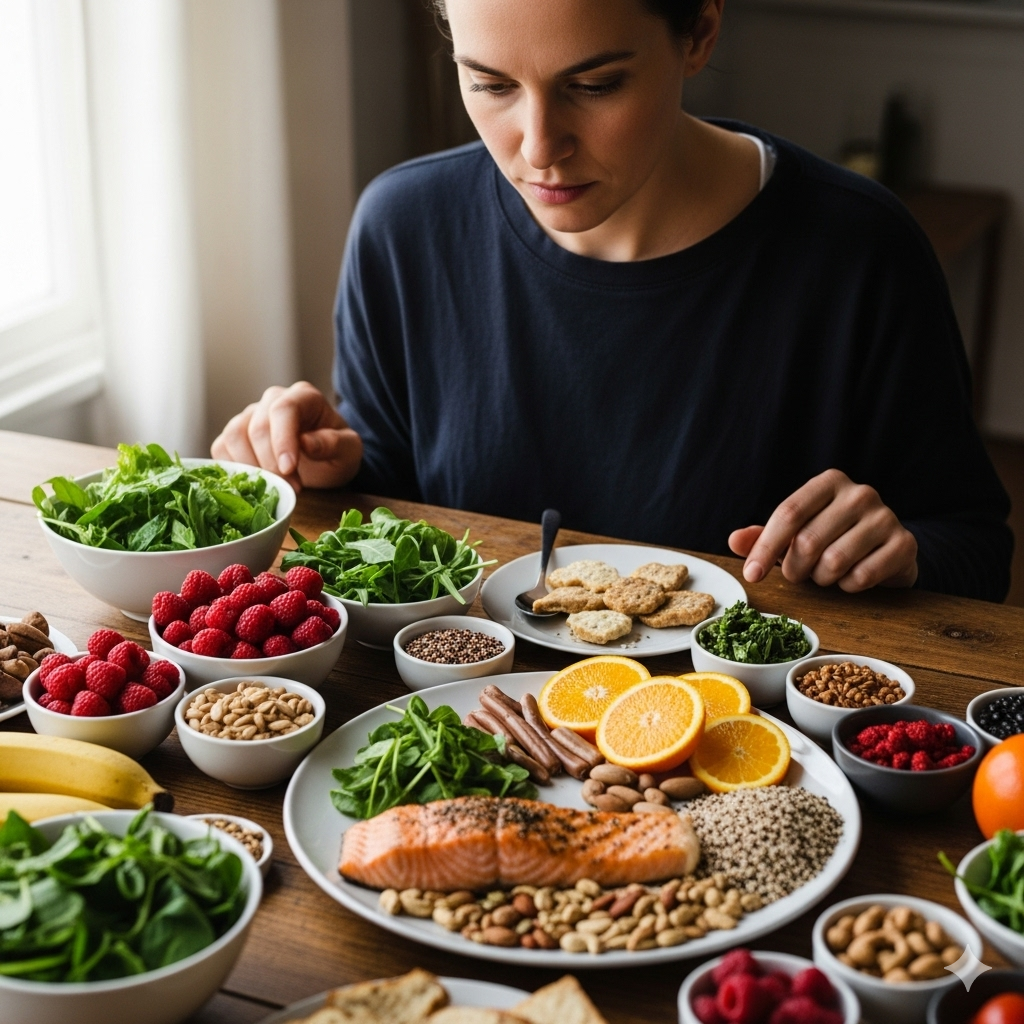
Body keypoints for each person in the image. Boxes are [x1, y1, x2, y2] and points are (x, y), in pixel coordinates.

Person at [212, 0, 1012, 602]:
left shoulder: (860, 251)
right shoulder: (403, 227)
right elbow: (399, 489)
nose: (538, 147)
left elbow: (976, 549)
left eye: (593, 85)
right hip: (478, 721)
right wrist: (328, 465)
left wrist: (900, 550)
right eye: (489, 83)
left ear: (700, 32)